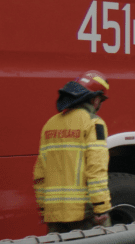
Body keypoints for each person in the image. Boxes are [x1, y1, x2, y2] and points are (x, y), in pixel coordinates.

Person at [33, 71, 113, 234]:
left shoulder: (50, 124)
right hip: (84, 212)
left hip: (54, 212)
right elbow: (96, 169)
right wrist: (101, 207)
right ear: (95, 99)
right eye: (101, 100)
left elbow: (39, 173)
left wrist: (43, 208)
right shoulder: (93, 123)